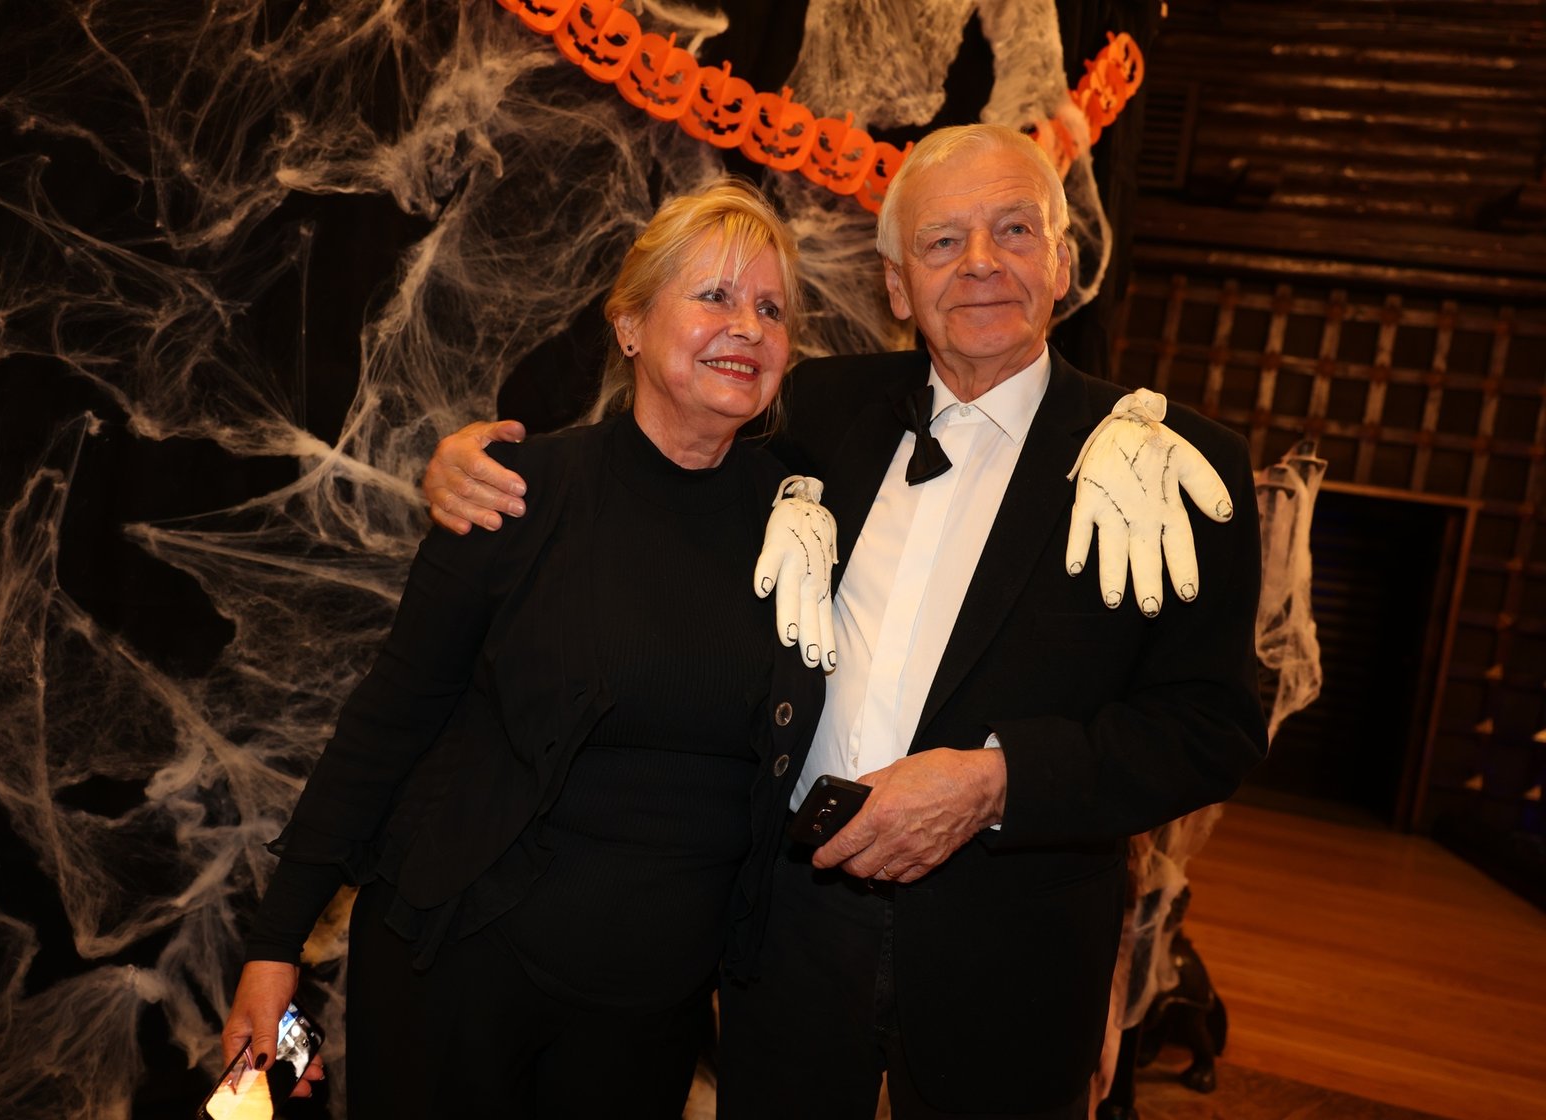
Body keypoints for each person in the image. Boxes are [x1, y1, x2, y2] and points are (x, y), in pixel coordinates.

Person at [422, 125, 1268, 1119]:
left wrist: (998, 780)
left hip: (1014, 956)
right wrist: (477, 468)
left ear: (1065, 262)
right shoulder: (810, 409)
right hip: (790, 934)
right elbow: (661, 446)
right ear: (897, 286)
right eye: (942, 240)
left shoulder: (1165, 468)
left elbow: (1212, 730)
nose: (981, 262)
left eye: (1014, 230)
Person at [220, 178, 826, 1118]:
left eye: (771, 308)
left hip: (647, 1013)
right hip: (458, 964)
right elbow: (391, 719)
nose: (746, 326)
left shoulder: (804, 523)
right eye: (713, 295)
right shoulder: (514, 492)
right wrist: (275, 944)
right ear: (630, 326)